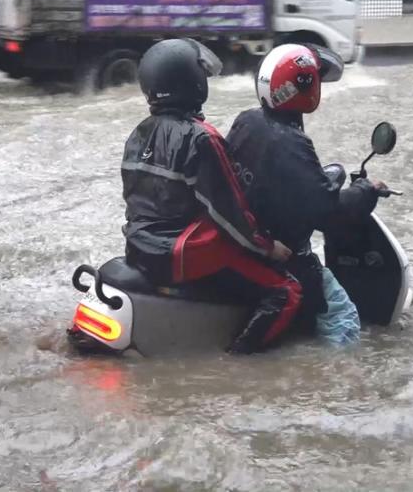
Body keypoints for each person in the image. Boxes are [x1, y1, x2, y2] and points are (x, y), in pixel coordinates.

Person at [121, 38, 301, 354]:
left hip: (138, 247)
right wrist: (268, 247)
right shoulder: (201, 138)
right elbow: (230, 212)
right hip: (179, 254)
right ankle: (239, 364)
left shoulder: (138, 134)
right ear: (191, 82)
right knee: (286, 291)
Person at [225, 44, 386, 336]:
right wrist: (366, 191)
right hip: (282, 256)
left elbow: (281, 180)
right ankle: (337, 379)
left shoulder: (247, 121)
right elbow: (328, 215)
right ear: (306, 87)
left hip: (246, 244)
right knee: (342, 315)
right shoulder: (290, 143)